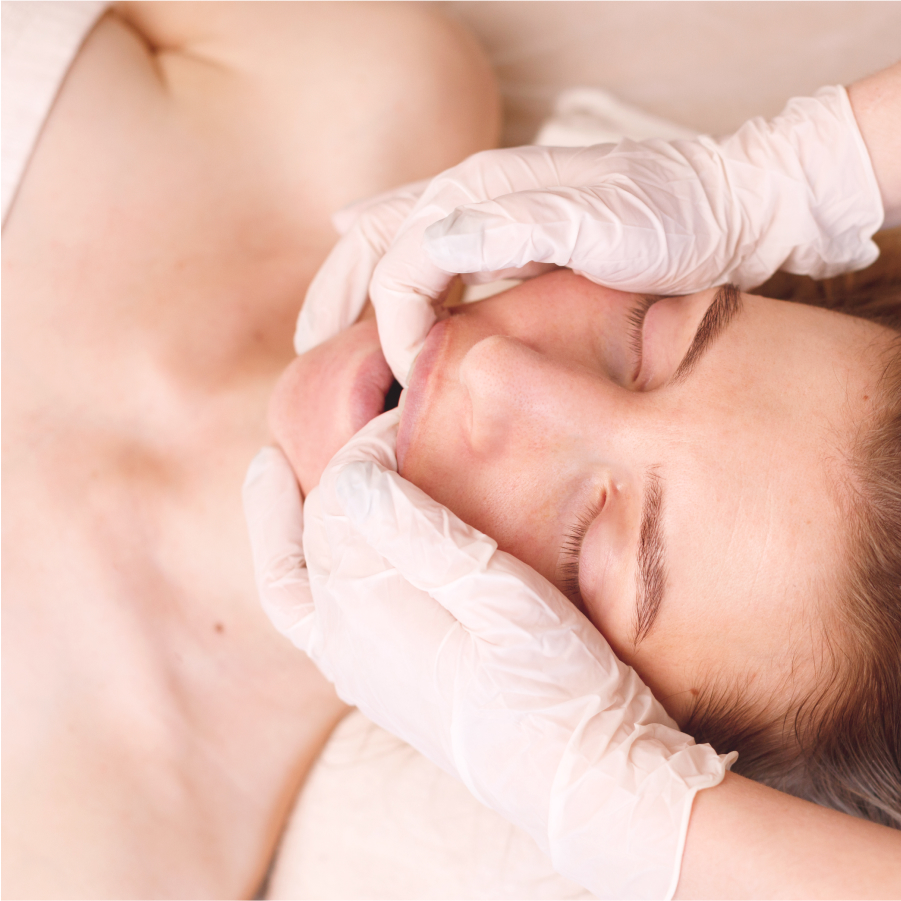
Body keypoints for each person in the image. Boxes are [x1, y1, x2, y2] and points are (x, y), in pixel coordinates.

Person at [246, 63, 901, 897]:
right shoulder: (366, 82)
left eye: (583, 545)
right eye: (646, 336)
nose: (499, 370)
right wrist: (787, 177)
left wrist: (648, 822)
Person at [1, 3, 500, 897]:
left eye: (603, 531)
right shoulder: (374, 95)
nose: (520, 387)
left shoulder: (103, 866)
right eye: (649, 346)